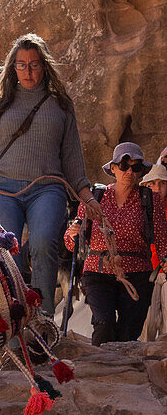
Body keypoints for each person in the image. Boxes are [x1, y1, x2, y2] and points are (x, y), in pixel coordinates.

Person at [0, 33, 101, 315]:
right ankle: (14, 320)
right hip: (3, 187)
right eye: (21, 65)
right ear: (12, 68)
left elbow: (73, 161)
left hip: (47, 188)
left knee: (43, 243)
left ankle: (43, 319)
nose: (28, 71)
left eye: (34, 64)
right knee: (6, 250)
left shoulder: (61, 105)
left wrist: (88, 198)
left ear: (44, 66)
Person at [64, 143, 167, 345]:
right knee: (104, 324)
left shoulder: (150, 199)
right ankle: (96, 374)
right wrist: (73, 233)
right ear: (113, 168)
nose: (129, 171)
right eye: (124, 165)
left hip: (137, 275)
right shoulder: (95, 197)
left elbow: (163, 241)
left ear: (141, 172)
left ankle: (122, 375)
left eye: (135, 167)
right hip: (98, 272)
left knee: (129, 334)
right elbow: (71, 243)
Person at [140, 160, 167, 340]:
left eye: (162, 183)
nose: (157, 187)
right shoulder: (138, 209)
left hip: (165, 272)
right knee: (145, 326)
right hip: (144, 271)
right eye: (152, 184)